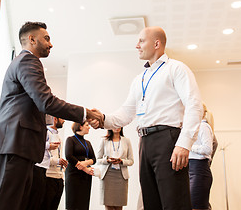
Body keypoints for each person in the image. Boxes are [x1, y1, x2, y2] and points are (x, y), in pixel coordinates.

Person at [0, 21, 103, 210]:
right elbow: (46, 101)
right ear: (31, 39)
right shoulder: (28, 60)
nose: (51, 44)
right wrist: (85, 113)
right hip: (12, 145)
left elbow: (41, 105)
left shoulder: (24, 62)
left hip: (19, 147)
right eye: (46, 38)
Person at [91, 26, 203, 210]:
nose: (137, 45)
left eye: (141, 41)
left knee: (174, 202)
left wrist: (184, 143)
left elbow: (194, 105)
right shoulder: (140, 79)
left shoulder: (176, 69)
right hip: (145, 142)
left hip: (168, 140)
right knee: (151, 202)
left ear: (157, 43)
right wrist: (102, 119)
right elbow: (125, 114)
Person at [96, 127, 134, 210]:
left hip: (121, 176)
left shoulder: (126, 140)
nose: (117, 127)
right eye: (114, 125)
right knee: (108, 204)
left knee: (119, 204)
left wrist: (121, 161)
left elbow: (131, 161)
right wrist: (107, 160)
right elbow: (97, 159)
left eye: (119, 125)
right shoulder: (104, 140)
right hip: (107, 175)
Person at [188, 103, 217, 210]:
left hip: (199, 171)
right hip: (191, 169)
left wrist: (189, 146)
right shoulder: (193, 128)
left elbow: (207, 149)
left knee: (197, 206)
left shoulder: (204, 127)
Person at [65, 122, 96, 210]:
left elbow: (94, 159)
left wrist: (84, 164)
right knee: (73, 204)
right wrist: (85, 168)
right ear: (80, 126)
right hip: (73, 175)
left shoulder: (88, 143)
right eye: (87, 125)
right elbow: (69, 156)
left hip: (85, 177)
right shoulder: (70, 139)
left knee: (84, 204)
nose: (89, 127)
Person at [41, 116, 68, 210]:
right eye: (62, 118)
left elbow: (57, 155)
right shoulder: (45, 133)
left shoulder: (59, 137)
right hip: (48, 177)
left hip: (59, 177)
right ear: (55, 119)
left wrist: (62, 164)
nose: (64, 120)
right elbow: (41, 157)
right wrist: (57, 161)